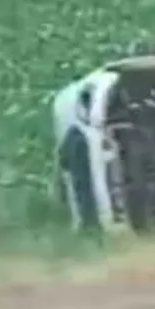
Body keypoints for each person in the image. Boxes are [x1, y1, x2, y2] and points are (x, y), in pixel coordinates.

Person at [58, 86, 101, 232]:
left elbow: (63, 160)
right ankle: (90, 226)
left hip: (83, 177)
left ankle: (89, 225)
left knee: (85, 199)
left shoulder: (74, 134)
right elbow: (64, 160)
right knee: (86, 199)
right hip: (84, 176)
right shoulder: (78, 134)